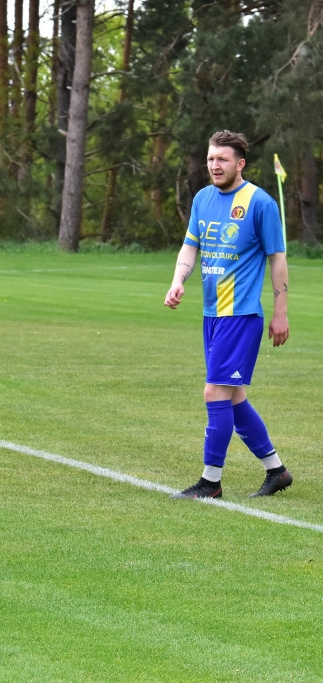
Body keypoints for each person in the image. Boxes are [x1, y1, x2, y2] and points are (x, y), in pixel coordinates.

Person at [165, 130, 292, 500]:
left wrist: (280, 313)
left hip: (241, 315)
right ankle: (276, 471)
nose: (214, 165)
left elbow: (278, 260)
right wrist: (178, 281)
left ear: (240, 164)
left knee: (214, 392)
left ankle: (210, 482)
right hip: (212, 315)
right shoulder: (203, 199)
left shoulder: (260, 202)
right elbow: (190, 248)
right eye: (210, 159)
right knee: (233, 399)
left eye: (222, 159)